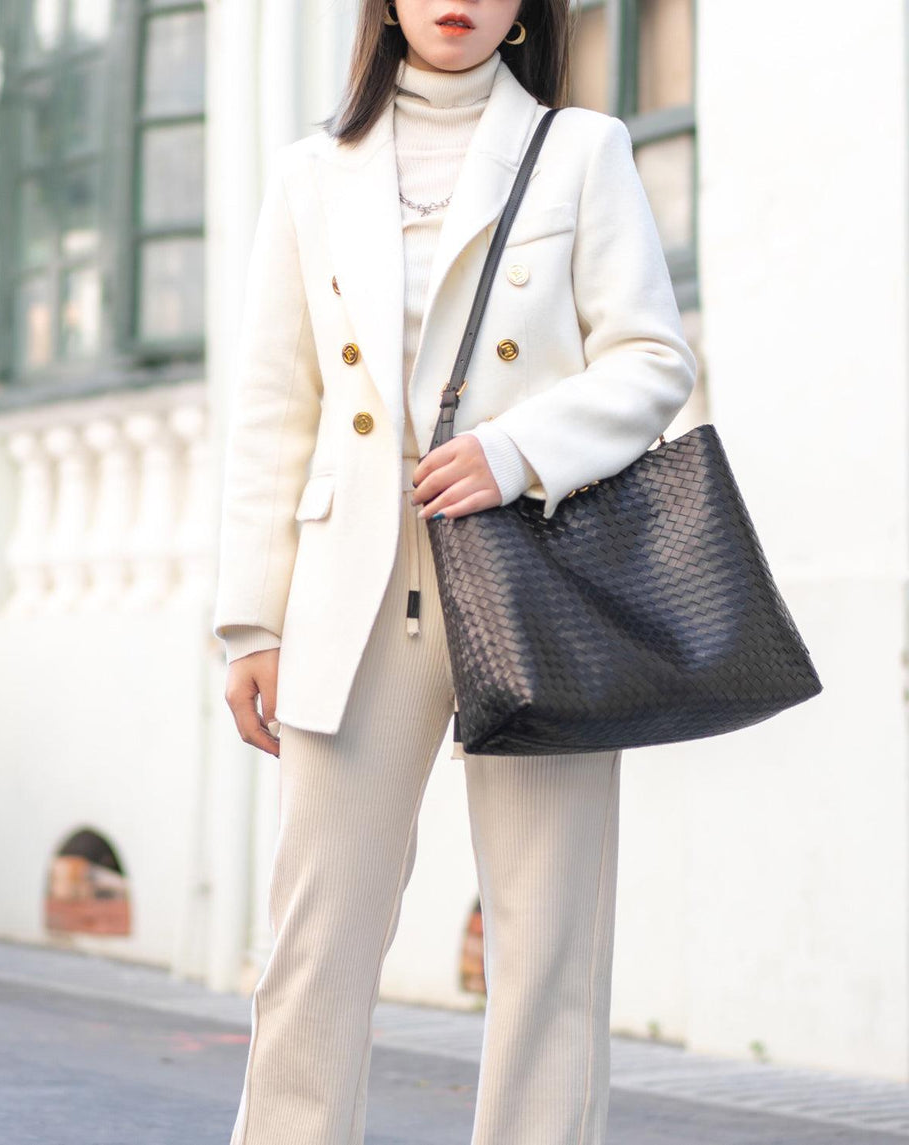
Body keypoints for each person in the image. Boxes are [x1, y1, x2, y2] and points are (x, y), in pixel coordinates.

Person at [212, 1, 697, 1141]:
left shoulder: (581, 150)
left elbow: (651, 358)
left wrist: (515, 450)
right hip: (353, 590)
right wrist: (250, 622)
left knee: (549, 939)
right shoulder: (310, 174)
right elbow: (274, 410)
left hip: (534, 579)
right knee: (313, 937)